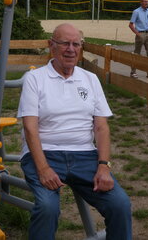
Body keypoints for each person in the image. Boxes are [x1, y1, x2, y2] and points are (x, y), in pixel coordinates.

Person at [18, 23, 132, 240]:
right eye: (64, 43)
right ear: (52, 46)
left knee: (120, 204)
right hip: (45, 154)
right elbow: (30, 127)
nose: (70, 49)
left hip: (84, 155)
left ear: (81, 48)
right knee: (47, 208)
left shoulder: (90, 79)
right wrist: (43, 169)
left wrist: (104, 166)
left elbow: (101, 127)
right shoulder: (35, 78)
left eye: (76, 44)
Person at [129, 0, 148, 78]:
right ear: (141, 2)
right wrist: (138, 34)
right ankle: (133, 72)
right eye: (145, 1)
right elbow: (130, 25)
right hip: (140, 34)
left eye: (147, 1)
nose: (146, 3)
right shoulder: (136, 12)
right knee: (137, 53)